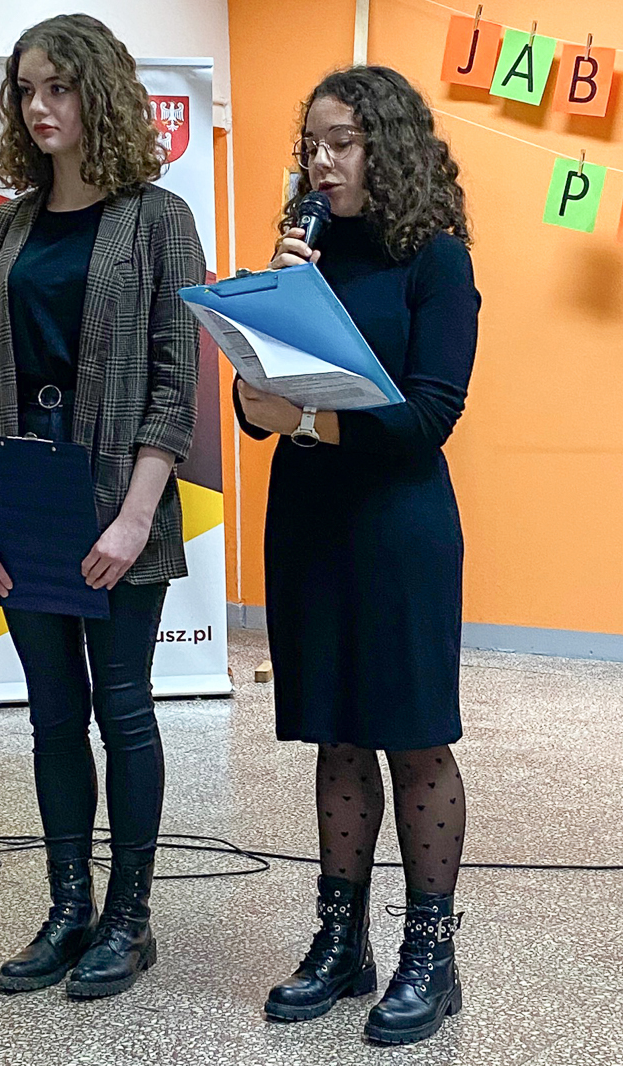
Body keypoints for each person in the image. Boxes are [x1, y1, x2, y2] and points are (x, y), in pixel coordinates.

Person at [0, 14, 204, 1000]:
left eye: (57, 86)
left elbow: (175, 382)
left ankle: (129, 920)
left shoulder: (159, 220)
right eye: (25, 89)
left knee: (123, 707)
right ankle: (68, 908)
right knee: (53, 714)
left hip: (118, 501)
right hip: (24, 499)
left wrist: (137, 517)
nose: (38, 106)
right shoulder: (7, 227)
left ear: (98, 93)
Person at [234, 66, 480, 1045]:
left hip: (399, 524)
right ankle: (342, 944)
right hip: (309, 519)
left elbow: (428, 417)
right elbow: (259, 403)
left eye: (341, 142)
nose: (321, 162)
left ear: (391, 146)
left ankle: (431, 956)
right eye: (312, 145)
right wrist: (269, 308)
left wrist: (304, 421)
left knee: (411, 735)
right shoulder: (307, 255)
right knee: (337, 734)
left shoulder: (438, 260)